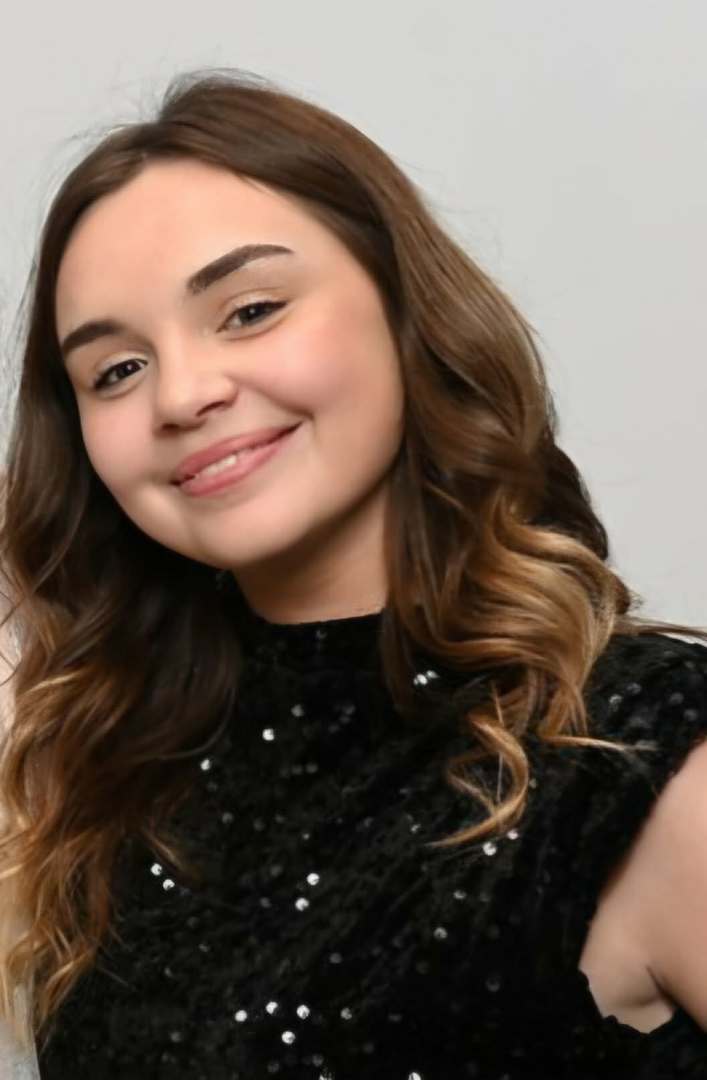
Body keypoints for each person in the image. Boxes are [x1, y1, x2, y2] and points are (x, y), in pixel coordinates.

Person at [0, 66, 706, 1080]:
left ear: (402, 308)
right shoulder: (116, 790)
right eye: (116, 370)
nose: (183, 395)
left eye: (248, 310)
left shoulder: (630, 750)